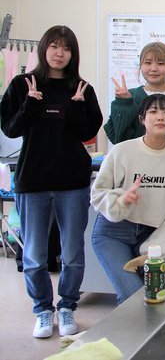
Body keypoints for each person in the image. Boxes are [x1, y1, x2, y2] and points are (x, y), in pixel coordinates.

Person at [0, 25, 103, 338]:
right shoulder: (22, 84)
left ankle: (68, 305)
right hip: (33, 181)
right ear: (44, 48)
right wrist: (31, 103)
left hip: (72, 181)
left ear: (73, 53)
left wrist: (75, 107)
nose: (60, 53)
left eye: (66, 48)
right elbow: (11, 129)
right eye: (55, 46)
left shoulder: (82, 88)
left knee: (72, 252)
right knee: (33, 254)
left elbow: (87, 133)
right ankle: (43, 310)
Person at [91, 94, 165, 305]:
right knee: (131, 297)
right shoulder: (122, 151)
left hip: (153, 233)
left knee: (156, 295)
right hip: (114, 231)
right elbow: (98, 193)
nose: (160, 117)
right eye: (153, 111)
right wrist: (120, 199)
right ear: (142, 119)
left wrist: (162, 245)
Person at [104, 41, 165, 146]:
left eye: (160, 63)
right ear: (140, 65)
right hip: (136, 155)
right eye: (148, 63)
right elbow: (118, 139)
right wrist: (123, 104)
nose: (153, 69)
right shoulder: (131, 96)